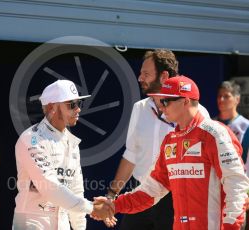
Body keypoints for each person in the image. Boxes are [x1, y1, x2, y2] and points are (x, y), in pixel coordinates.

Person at [95, 76, 249, 229]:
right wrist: (114, 205)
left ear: (185, 101)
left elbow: (236, 185)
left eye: (165, 101)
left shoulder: (215, 133)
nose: (161, 107)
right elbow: (152, 189)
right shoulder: (171, 140)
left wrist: (231, 226)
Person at [106, 49, 209, 230]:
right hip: (142, 192)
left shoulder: (195, 112)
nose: (140, 78)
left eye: (146, 74)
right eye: (141, 73)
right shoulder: (139, 108)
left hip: (175, 199)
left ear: (163, 76)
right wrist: (111, 195)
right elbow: (131, 155)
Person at [12, 80, 114, 230]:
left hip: (62, 222)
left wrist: (80, 228)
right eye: (71, 104)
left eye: (79, 103)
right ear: (52, 107)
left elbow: (76, 189)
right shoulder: (31, 139)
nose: (78, 109)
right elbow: (49, 186)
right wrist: (91, 208)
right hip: (33, 222)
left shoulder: (71, 142)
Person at [214, 81, 249, 174]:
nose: (221, 99)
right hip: (215, 180)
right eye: (219, 96)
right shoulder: (210, 123)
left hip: (239, 180)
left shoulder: (246, 126)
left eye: (226, 96)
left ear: (237, 99)